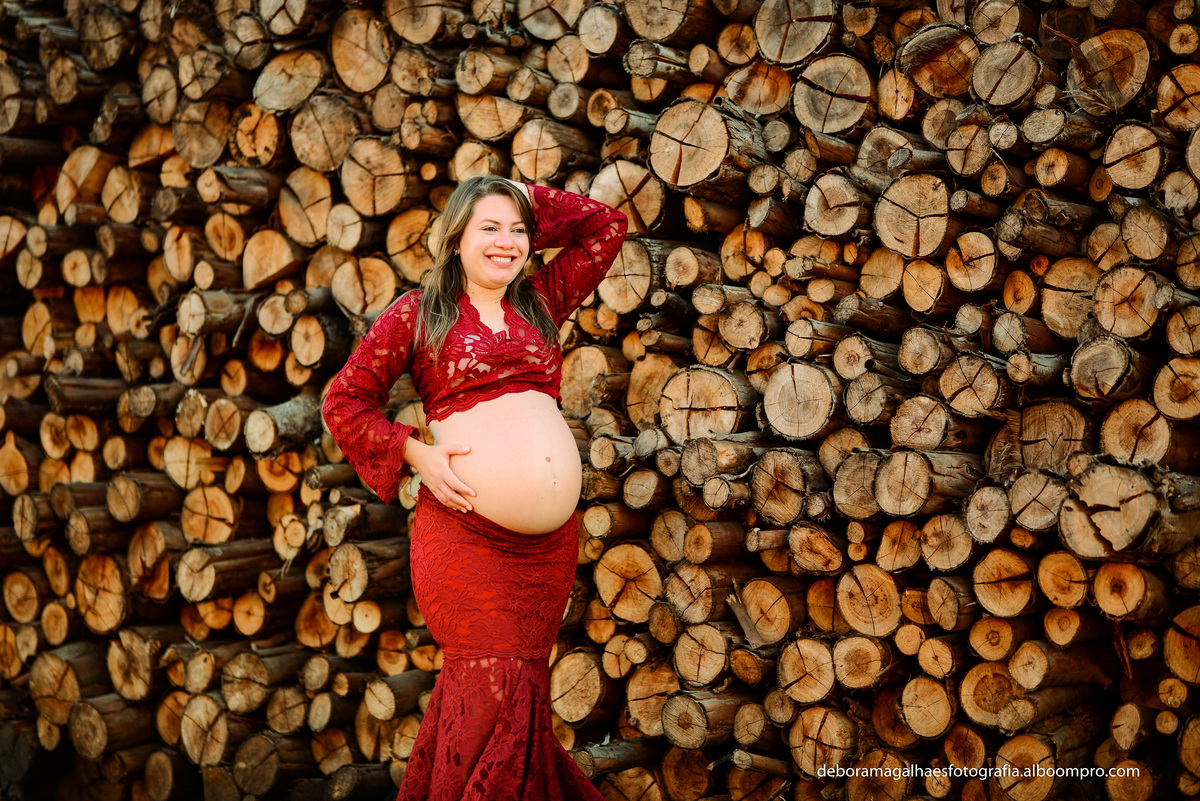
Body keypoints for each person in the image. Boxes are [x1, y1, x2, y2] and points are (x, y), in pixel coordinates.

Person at [321, 175, 627, 800]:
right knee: (487, 697)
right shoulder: (419, 311)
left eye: (519, 231)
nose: (507, 242)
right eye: (489, 226)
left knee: (522, 706)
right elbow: (344, 401)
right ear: (456, 234)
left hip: (544, 555)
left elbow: (606, 227)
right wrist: (415, 454)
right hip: (466, 536)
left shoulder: (541, 298)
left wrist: (521, 193)